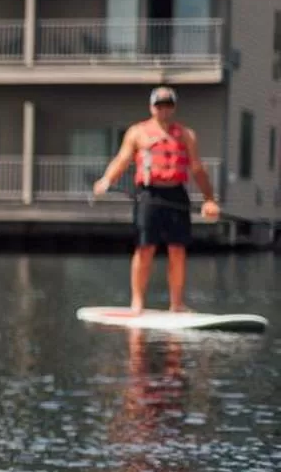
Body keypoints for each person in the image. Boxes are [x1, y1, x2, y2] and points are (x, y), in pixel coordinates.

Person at [92, 86, 220, 313]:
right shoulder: (137, 132)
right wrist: (106, 180)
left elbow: (198, 169)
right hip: (149, 195)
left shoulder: (187, 135)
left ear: (174, 107)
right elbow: (122, 160)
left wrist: (209, 199)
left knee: (177, 249)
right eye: (159, 105)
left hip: (176, 194)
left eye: (168, 105)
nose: (164, 110)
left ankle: (176, 303)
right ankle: (137, 303)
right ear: (152, 107)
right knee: (145, 248)